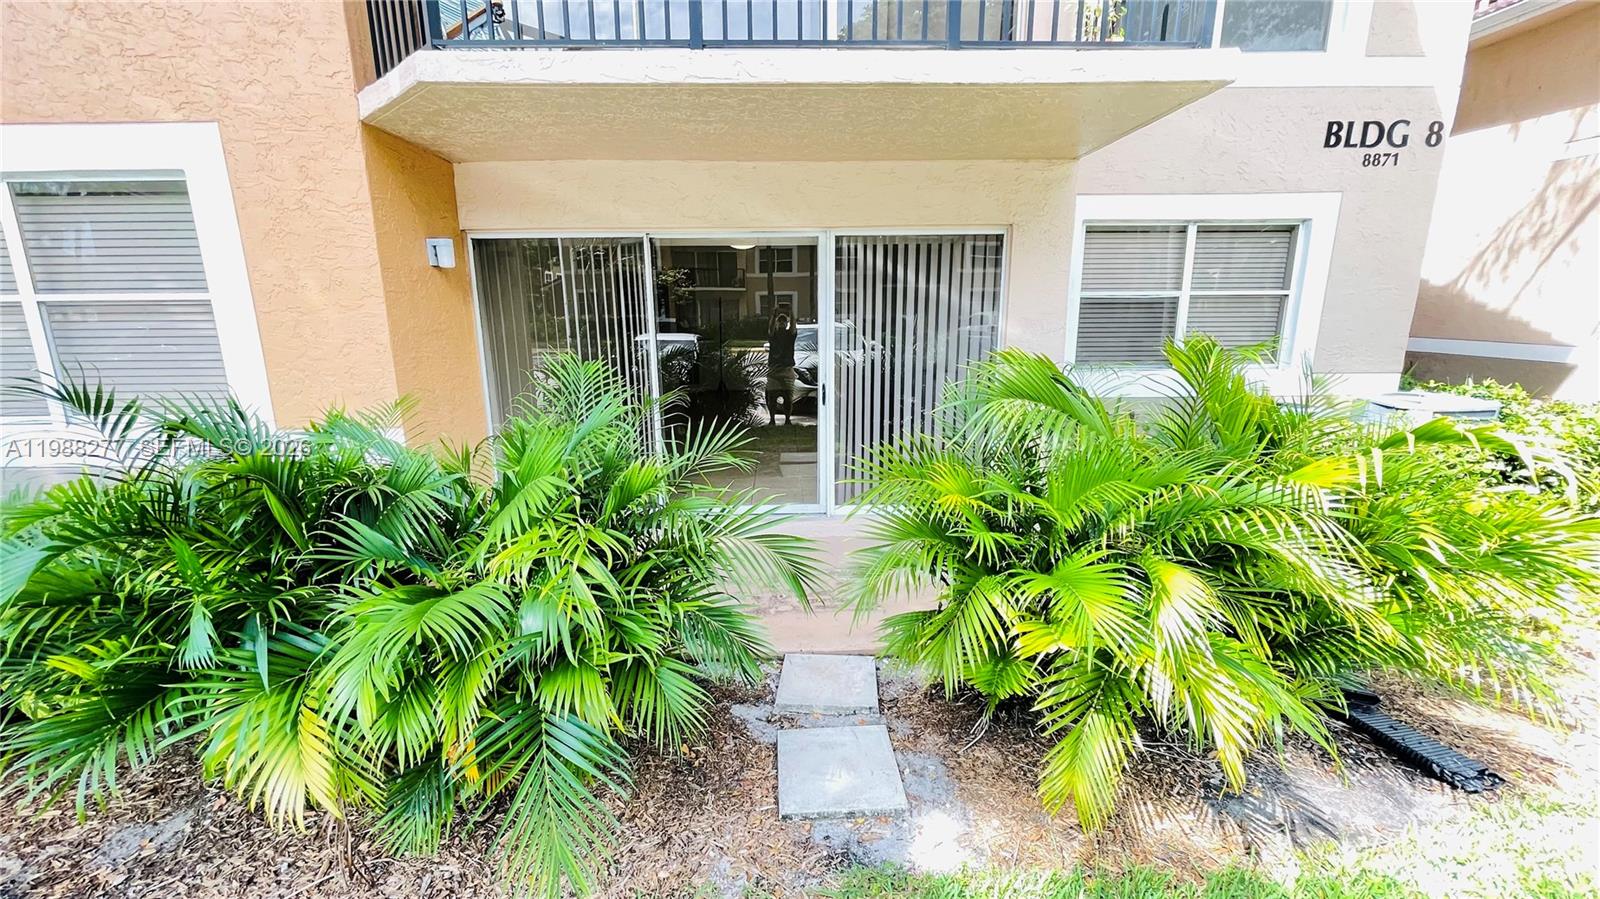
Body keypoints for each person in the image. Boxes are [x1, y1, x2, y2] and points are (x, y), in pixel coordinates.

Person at [765, 304, 797, 426]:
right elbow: (770, 328)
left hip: (787, 370)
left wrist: (791, 312)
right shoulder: (773, 336)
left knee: (788, 397)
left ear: (786, 323)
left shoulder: (790, 335)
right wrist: (774, 314)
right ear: (777, 323)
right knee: (771, 397)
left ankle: (787, 420)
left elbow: (794, 326)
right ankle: (772, 419)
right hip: (774, 370)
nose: (782, 323)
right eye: (780, 321)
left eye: (784, 321)